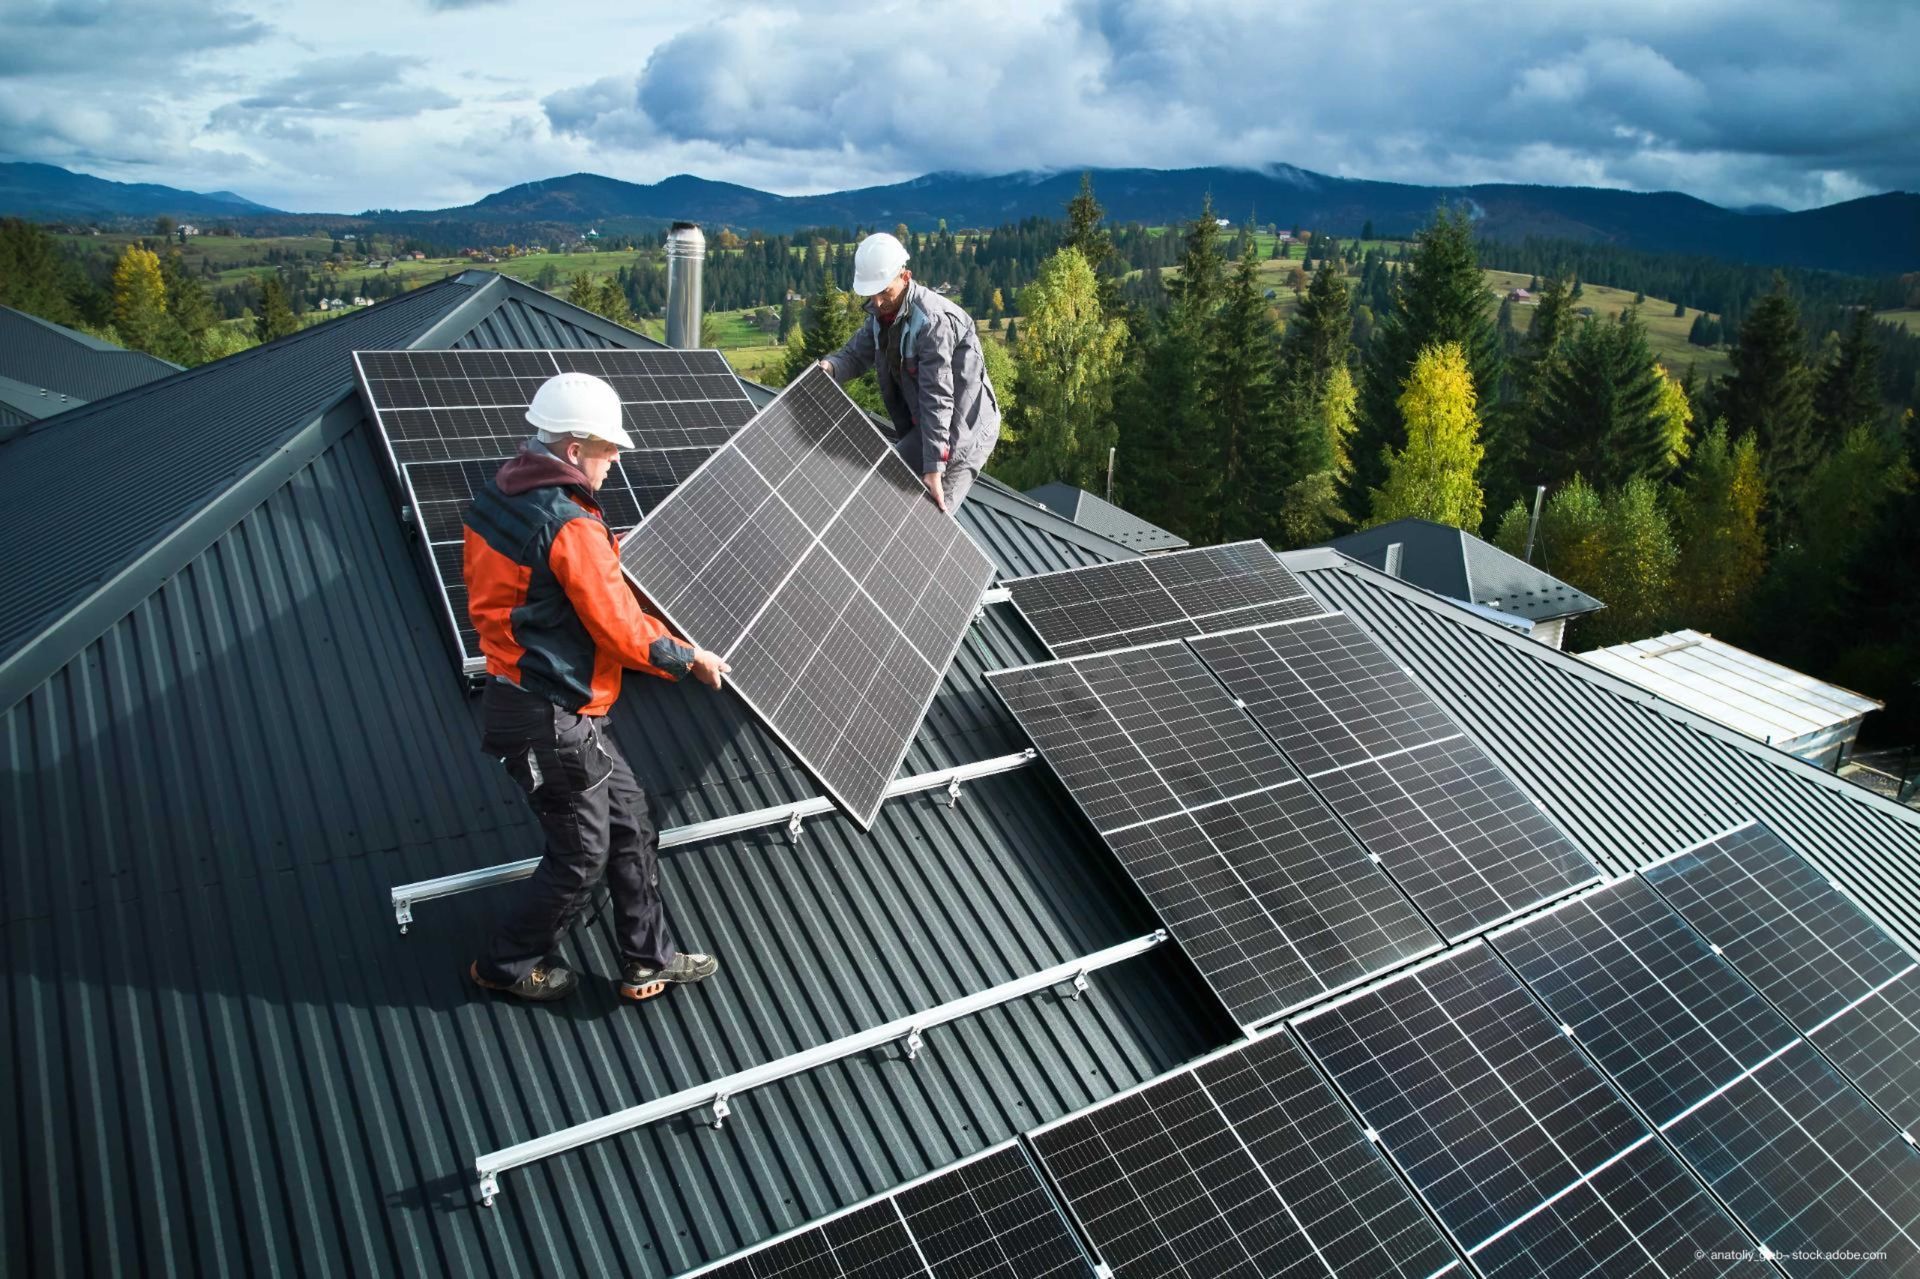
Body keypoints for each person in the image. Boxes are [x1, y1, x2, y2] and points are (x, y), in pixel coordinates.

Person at [462, 371, 730, 1004]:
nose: (616, 461)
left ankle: (646, 961)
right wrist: (688, 657)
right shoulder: (569, 524)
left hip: (557, 712)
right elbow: (617, 630)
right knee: (582, 856)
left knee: (632, 826)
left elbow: (535, 580)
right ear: (574, 448)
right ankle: (503, 965)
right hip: (544, 717)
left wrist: (602, 555)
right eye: (610, 449)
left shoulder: (502, 492)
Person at [817, 232, 999, 512]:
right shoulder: (883, 317)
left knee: (931, 514)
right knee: (884, 484)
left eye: (884, 292)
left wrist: (934, 469)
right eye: (870, 295)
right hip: (929, 426)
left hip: (964, 430)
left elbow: (936, 397)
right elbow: (854, 355)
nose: (876, 302)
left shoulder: (932, 322)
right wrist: (829, 368)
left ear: (905, 277)